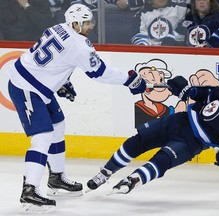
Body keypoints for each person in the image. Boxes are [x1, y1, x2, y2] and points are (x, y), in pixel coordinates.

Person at [7, 3, 146, 213]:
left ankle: (56, 178)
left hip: (37, 85)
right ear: (75, 23)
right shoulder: (80, 44)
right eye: (86, 22)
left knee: (58, 125)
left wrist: (63, 81)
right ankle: (30, 191)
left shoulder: (57, 27)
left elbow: (55, 60)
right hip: (26, 87)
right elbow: (99, 72)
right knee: (43, 136)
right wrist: (129, 80)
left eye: (90, 21)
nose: (91, 25)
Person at [86, 76, 219, 195]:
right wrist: (190, 91)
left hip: (193, 141)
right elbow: (207, 93)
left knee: (162, 158)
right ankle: (105, 172)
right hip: (179, 120)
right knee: (137, 141)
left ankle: (133, 180)